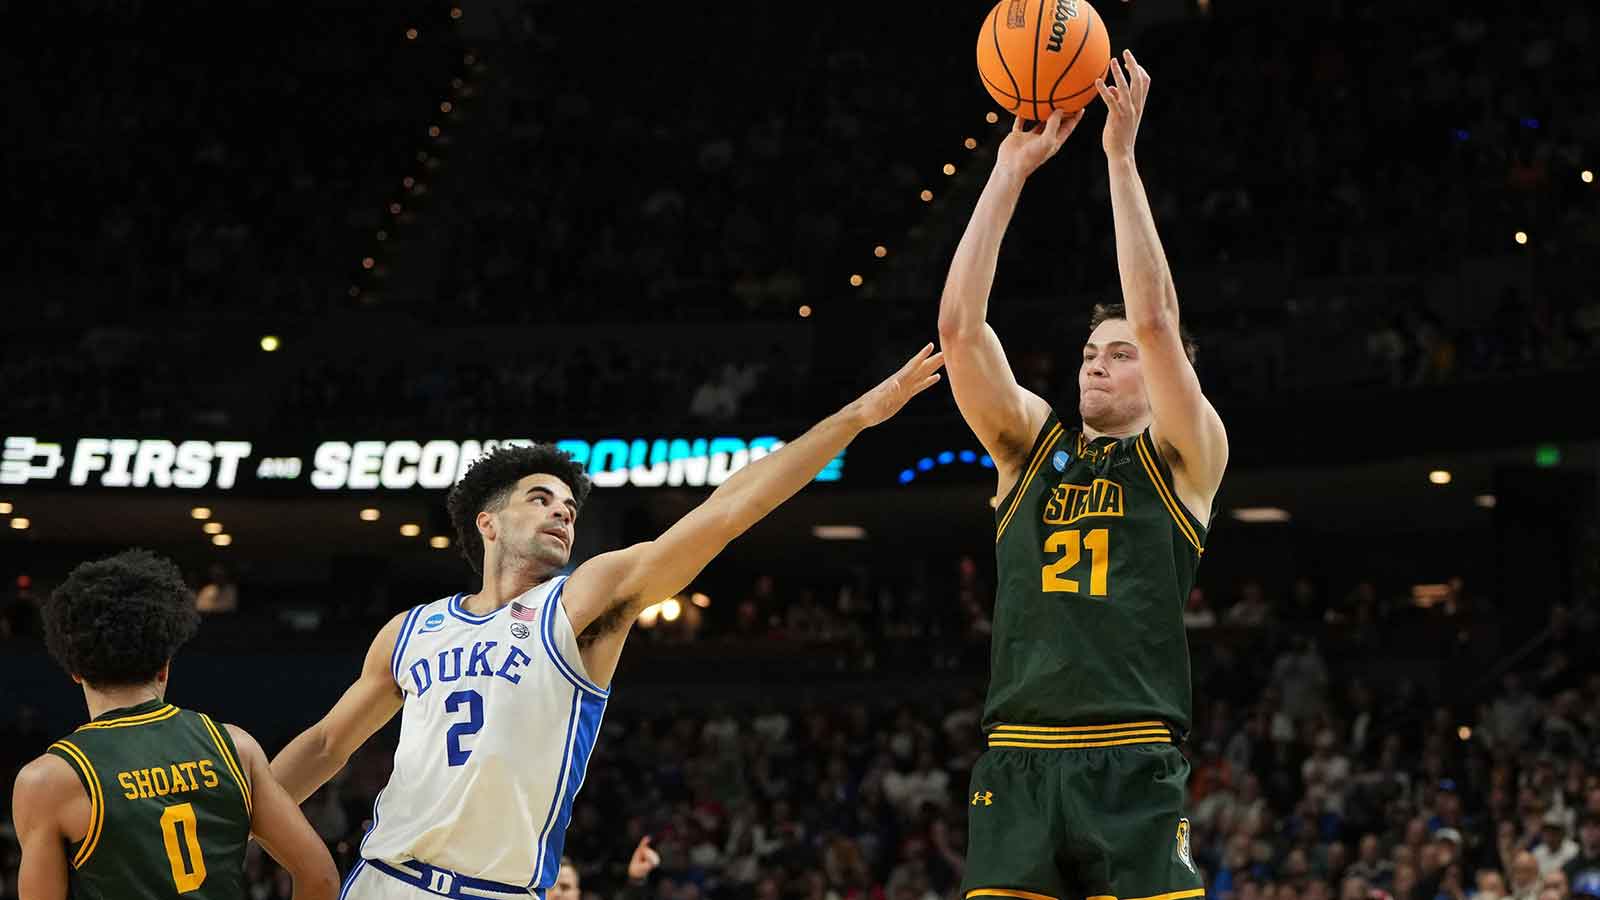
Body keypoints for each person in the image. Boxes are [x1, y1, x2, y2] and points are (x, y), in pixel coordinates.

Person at [270, 347, 944, 899]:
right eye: (541, 499)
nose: (563, 511)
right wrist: (238, 829)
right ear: (489, 523)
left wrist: (856, 417)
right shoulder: (409, 631)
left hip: (497, 891)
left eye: (568, 504)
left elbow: (727, 511)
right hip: (382, 880)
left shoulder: (579, 602)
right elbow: (329, 745)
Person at [936, 51, 1228, 900]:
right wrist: (1006, 173)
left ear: (1164, 373)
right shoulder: (1030, 449)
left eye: (1119, 356)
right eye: (1089, 353)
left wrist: (1121, 159)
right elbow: (960, 329)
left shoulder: (1184, 455)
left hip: (1132, 753)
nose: (1096, 366)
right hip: (1019, 755)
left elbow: (1157, 318)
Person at [9, 550, 339, 900]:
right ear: (165, 665)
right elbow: (321, 879)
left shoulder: (48, 780)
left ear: (74, 670)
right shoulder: (234, 746)